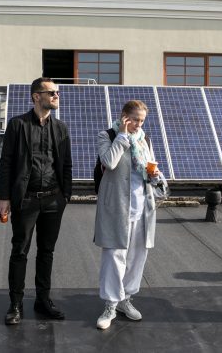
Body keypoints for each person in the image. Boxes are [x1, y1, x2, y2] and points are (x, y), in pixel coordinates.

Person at [0, 77, 72, 325]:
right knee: (20, 251)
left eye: (57, 93)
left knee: (47, 252)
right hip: (25, 200)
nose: (56, 96)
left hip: (53, 200)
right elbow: (6, 163)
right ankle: (15, 304)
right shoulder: (17, 125)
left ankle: (43, 300)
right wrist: (4, 197)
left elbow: (66, 164)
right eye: (51, 93)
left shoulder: (61, 128)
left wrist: (65, 196)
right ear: (36, 96)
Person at [94, 100, 160, 330]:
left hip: (142, 207)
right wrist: (122, 135)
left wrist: (155, 174)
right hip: (116, 207)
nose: (138, 124)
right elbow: (109, 162)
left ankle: (125, 300)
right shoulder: (108, 135)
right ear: (124, 117)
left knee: (136, 256)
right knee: (114, 256)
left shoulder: (145, 139)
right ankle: (110, 304)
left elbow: (149, 167)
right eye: (134, 120)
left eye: (142, 120)